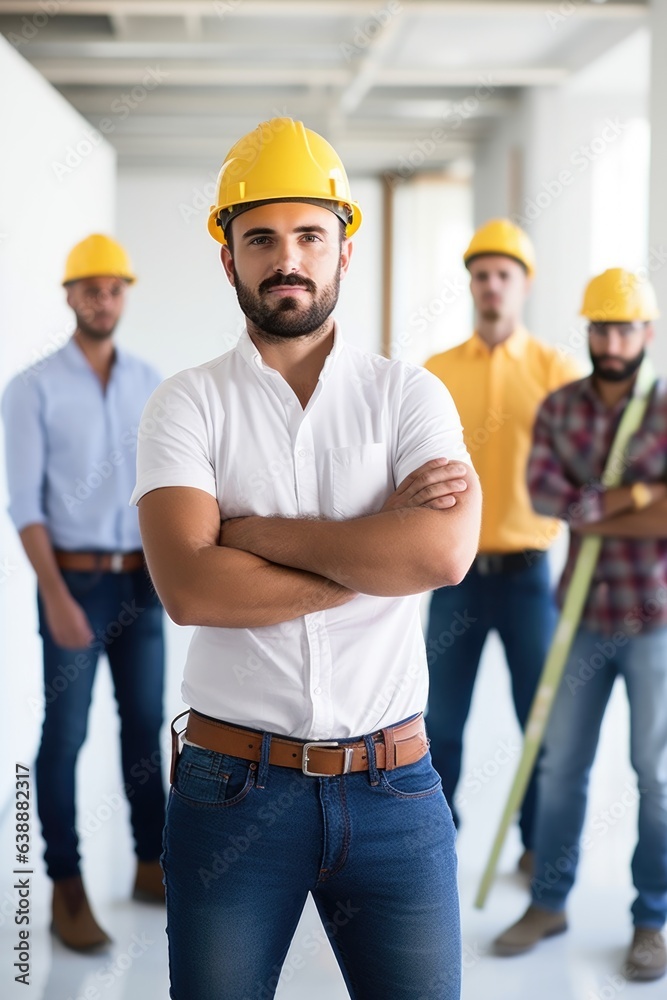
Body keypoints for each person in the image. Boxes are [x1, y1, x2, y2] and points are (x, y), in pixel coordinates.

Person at [131, 117, 482, 1000]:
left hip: (395, 788)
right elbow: (190, 587)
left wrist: (255, 536)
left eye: (308, 236)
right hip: (229, 792)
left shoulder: (410, 396)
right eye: (260, 239)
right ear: (228, 259)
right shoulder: (185, 406)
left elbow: (439, 553)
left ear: (343, 250)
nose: (286, 259)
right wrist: (371, 557)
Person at [493, 269, 667, 982]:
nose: (611, 340)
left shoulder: (661, 409)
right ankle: (547, 902)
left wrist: (593, 503)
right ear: (587, 332)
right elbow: (543, 496)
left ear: (646, 335)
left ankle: (650, 920)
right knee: (561, 767)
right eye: (600, 327)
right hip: (579, 619)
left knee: (654, 775)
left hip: (654, 620)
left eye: (623, 327)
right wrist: (634, 491)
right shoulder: (560, 407)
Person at [2, 235, 167, 951]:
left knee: (144, 726)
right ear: (70, 296)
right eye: (90, 288)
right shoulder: (31, 388)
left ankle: (150, 864)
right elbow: (26, 507)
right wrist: (57, 599)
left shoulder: (149, 381)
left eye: (114, 288)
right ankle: (65, 884)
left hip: (142, 579)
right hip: (72, 581)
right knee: (64, 736)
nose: (104, 299)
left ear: (124, 296)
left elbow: (162, 490)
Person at [423, 219, 580, 872]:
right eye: (481, 275)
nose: (490, 286)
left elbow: (583, 471)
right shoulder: (435, 374)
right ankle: (432, 840)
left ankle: (535, 845)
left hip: (526, 577)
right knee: (439, 725)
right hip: (452, 575)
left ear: (522, 285)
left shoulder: (555, 371)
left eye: (503, 276)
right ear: (470, 285)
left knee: (539, 725)